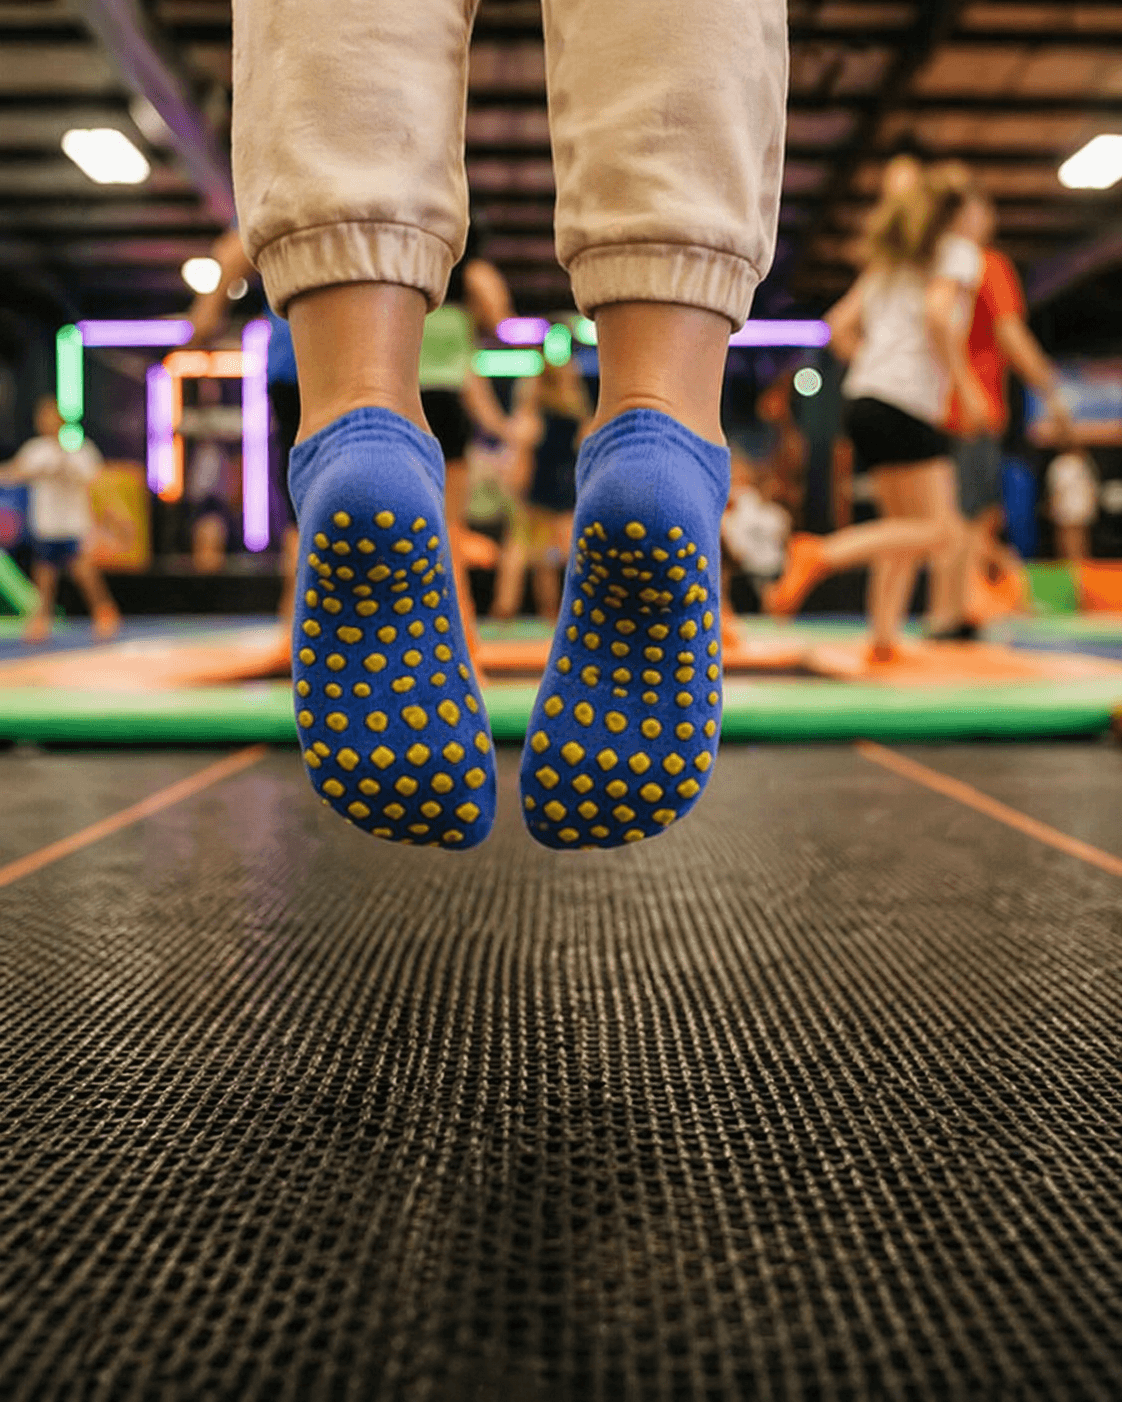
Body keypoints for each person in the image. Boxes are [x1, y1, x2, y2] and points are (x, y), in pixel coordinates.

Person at [233, 0, 787, 850]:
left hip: (404, 379)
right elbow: (491, 325)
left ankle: (358, 424)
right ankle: (660, 433)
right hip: (481, 409)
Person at [765, 163, 988, 659]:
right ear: (960, 213)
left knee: (901, 527)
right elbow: (938, 316)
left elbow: (836, 325)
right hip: (907, 401)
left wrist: (875, 359)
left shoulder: (889, 264)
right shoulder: (958, 252)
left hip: (865, 396)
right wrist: (967, 388)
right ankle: (821, 553)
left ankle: (884, 638)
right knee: (941, 529)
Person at [933, 185, 1072, 636]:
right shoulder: (985, 264)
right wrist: (1052, 391)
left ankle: (955, 607)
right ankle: (959, 608)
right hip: (971, 408)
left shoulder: (933, 266)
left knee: (953, 514)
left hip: (933, 407)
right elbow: (1010, 333)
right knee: (971, 515)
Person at [0, 397, 121, 643]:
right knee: (44, 575)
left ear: (61, 419)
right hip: (47, 525)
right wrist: (32, 472)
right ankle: (40, 621)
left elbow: (97, 483)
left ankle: (104, 612)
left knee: (83, 571)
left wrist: (111, 521)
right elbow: (14, 471)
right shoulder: (35, 450)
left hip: (74, 525)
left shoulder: (80, 450)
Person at [1046, 443, 1098, 561]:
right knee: (1077, 539)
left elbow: (1057, 489)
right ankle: (1076, 563)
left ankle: (1075, 564)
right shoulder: (1080, 463)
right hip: (1076, 508)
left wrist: (1053, 507)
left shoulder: (1064, 463)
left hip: (1071, 508)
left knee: (1072, 539)